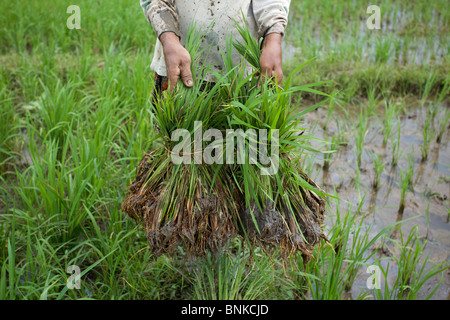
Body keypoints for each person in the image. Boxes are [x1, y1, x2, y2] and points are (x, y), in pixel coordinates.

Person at [139, 0, 290, 91]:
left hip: (243, 69)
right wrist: (169, 39)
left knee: (243, 140)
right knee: (180, 139)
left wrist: (273, 37)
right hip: (178, 61)